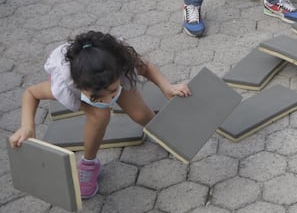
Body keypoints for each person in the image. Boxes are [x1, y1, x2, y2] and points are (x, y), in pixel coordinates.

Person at [9, 32, 190, 199]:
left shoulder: (120, 63)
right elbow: (31, 94)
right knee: (99, 115)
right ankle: (89, 163)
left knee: (139, 113)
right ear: (79, 87)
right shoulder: (68, 82)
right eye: (97, 96)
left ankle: (162, 133)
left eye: (112, 92)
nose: (107, 100)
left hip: (107, 72)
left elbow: (147, 67)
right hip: (85, 78)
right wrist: (27, 126)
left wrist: (167, 86)